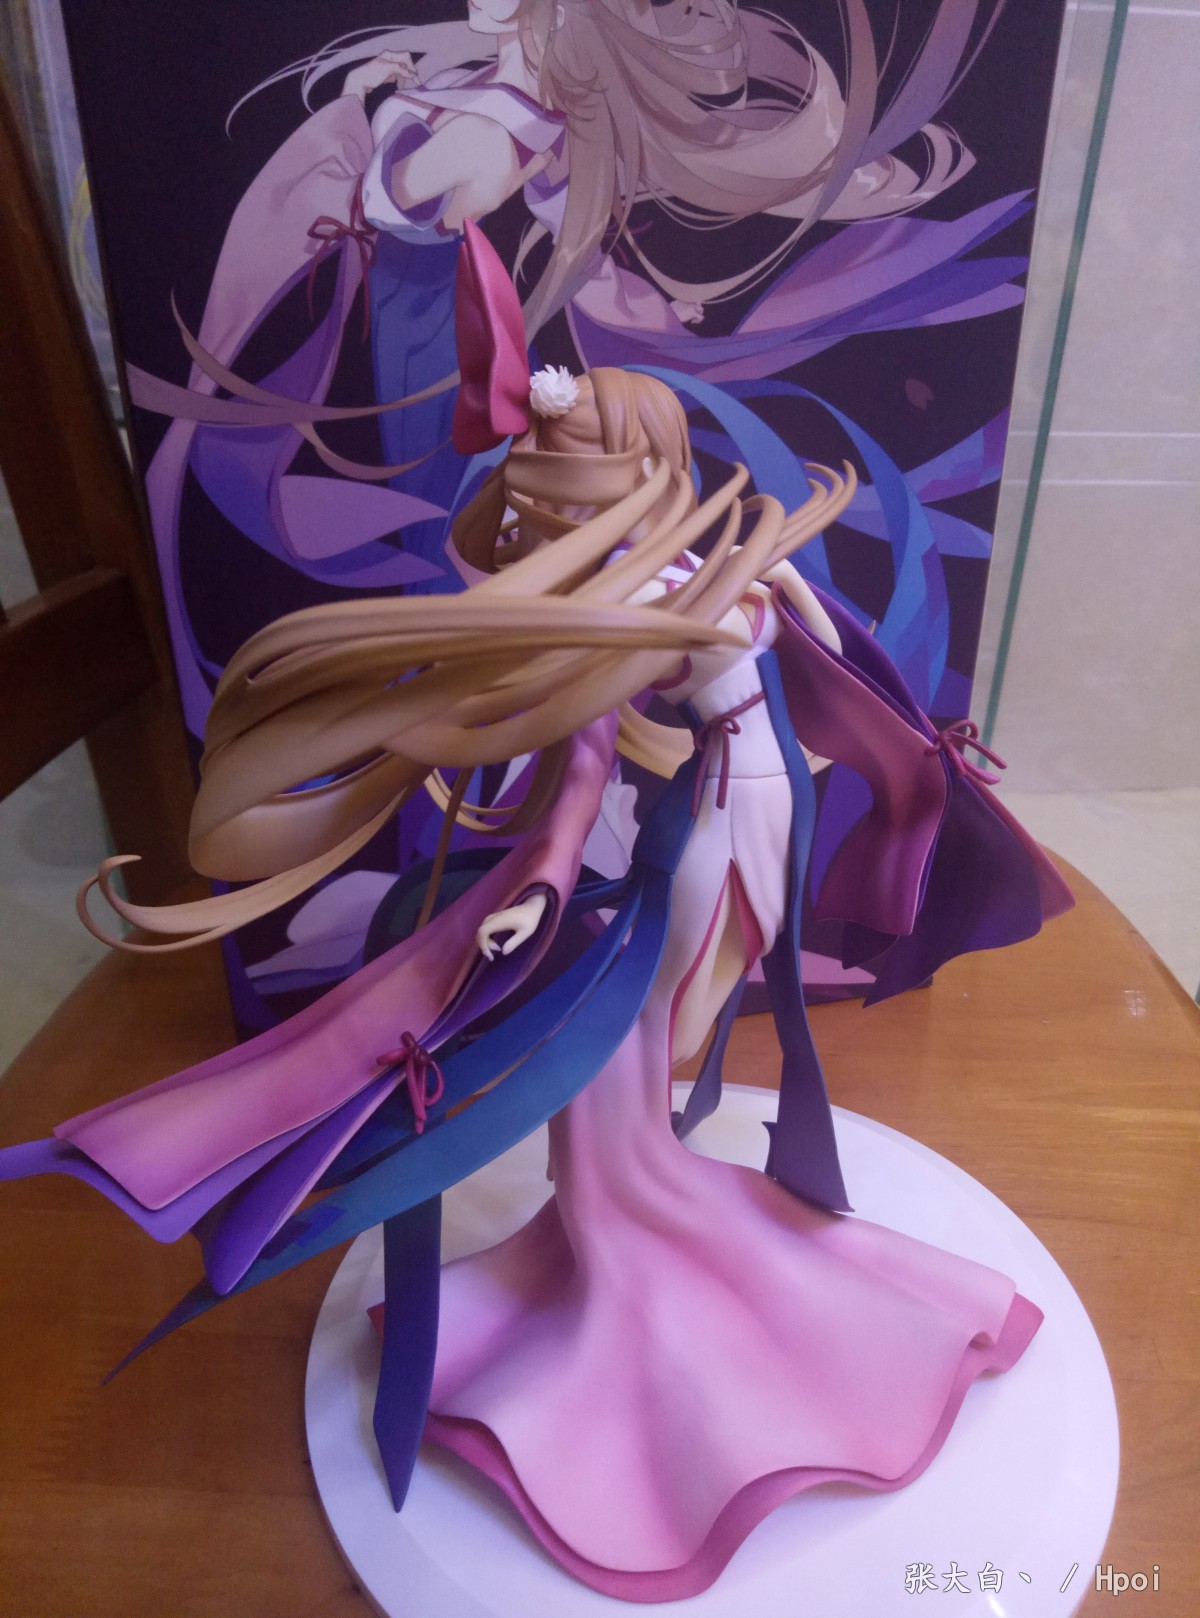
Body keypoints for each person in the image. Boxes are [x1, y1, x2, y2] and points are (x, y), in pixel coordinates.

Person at [0, 227, 1072, 1599]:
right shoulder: (611, 617)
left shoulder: (730, 572)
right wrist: (548, 883)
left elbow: (837, 671)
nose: (569, 518)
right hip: (685, 838)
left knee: (670, 1038)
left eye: (587, 486)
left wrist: (910, 762)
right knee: (620, 1053)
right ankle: (628, 1232)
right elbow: (575, 771)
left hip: (765, 828)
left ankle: (650, 1208)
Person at [129, 0, 1025, 728]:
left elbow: (396, 197)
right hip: (426, 320)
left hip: (421, 334)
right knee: (434, 517)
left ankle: (449, 703)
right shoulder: (525, 105)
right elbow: (558, 212)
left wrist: (366, 131)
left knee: (434, 523)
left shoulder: (496, 132)